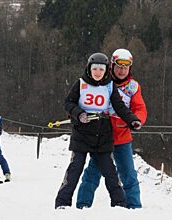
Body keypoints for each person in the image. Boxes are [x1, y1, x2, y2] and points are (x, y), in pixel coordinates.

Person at [55, 52, 142, 209]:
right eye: (95, 69)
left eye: (101, 69)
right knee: (75, 170)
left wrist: (133, 120)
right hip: (82, 134)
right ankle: (63, 203)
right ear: (89, 69)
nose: (97, 72)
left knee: (110, 173)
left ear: (105, 70)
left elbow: (120, 107)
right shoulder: (81, 83)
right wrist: (79, 114)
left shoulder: (109, 86)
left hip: (102, 135)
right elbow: (68, 103)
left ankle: (120, 204)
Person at [76, 49, 147, 209]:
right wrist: (79, 114)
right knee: (92, 174)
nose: (122, 71)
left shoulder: (133, 87)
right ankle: (82, 206)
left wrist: (136, 120)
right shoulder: (101, 82)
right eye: (118, 67)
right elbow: (83, 100)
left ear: (130, 68)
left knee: (128, 174)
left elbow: (140, 108)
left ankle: (134, 207)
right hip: (101, 136)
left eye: (125, 67)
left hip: (122, 136)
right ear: (112, 66)